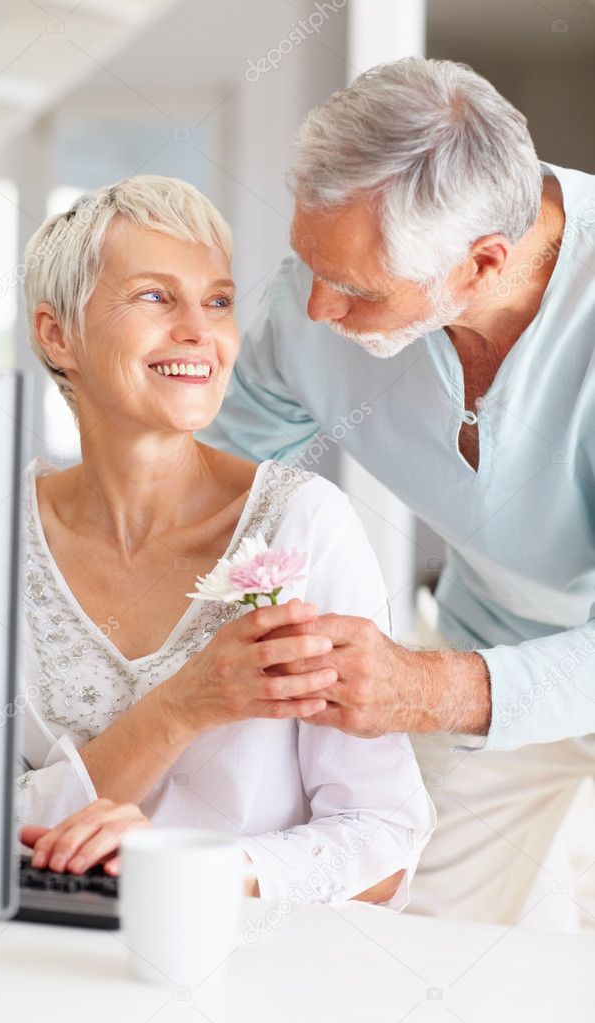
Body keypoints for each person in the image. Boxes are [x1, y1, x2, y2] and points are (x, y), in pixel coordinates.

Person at [201, 57, 595, 926]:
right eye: (313, 267)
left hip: (479, 675)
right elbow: (216, 495)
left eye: (354, 290)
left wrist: (431, 688)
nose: (316, 312)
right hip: (493, 638)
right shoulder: (314, 306)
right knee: (421, 945)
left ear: (482, 263)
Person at [16, 174, 434, 907]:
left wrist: (193, 865)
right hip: (26, 966)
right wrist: (181, 705)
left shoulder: (304, 524)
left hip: (247, 978)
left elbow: (382, 836)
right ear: (58, 334)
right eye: (154, 296)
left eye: (217, 301)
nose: (199, 330)